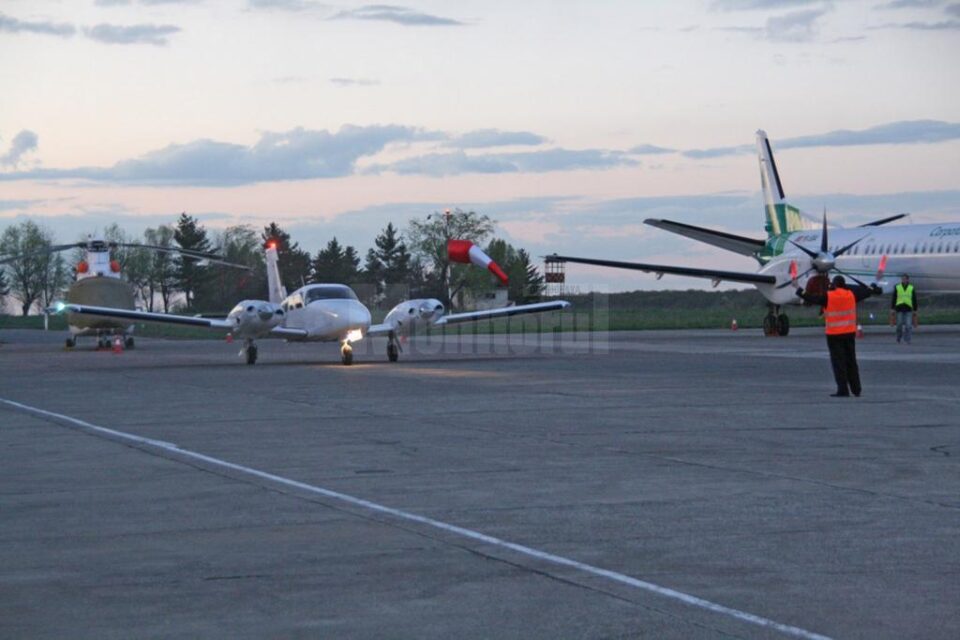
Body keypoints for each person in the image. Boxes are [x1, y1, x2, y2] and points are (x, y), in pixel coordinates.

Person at [797, 275, 882, 397]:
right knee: (851, 361)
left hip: (834, 334)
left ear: (834, 284)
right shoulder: (851, 295)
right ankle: (856, 389)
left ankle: (843, 389)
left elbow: (811, 298)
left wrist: (799, 289)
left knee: (838, 363)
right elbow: (867, 292)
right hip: (849, 333)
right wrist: (872, 286)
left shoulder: (828, 296)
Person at [889, 274, 918, 344]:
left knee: (908, 325)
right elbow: (894, 298)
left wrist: (915, 309)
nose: (903, 280)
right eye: (902, 279)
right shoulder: (897, 287)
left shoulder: (911, 287)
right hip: (899, 308)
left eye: (905, 279)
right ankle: (899, 337)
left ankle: (907, 339)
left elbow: (914, 299)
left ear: (907, 280)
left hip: (908, 308)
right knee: (899, 325)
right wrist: (892, 308)